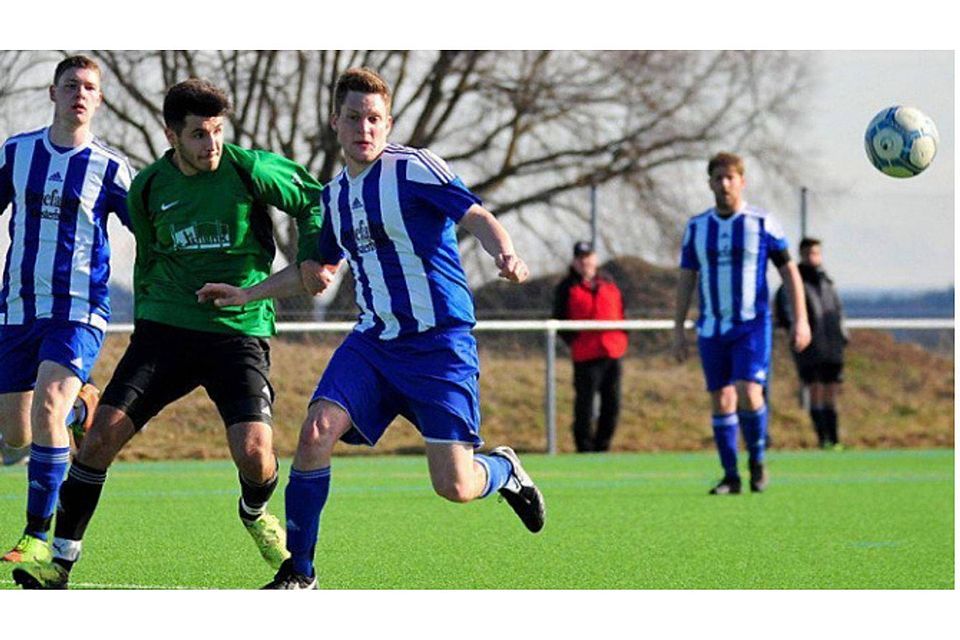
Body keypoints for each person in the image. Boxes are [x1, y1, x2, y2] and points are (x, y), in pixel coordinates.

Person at [201, 67, 546, 590]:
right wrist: (247, 293)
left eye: (375, 119)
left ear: (387, 124)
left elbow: (474, 214)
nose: (366, 127)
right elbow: (315, 272)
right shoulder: (335, 197)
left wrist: (505, 251)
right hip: (375, 343)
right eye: (355, 118)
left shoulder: (414, 169)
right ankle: (301, 571)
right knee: (315, 431)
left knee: (455, 485)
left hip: (439, 345)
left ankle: (503, 470)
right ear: (336, 122)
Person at [11, 78, 327, 589]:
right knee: (98, 441)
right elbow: (150, 257)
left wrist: (314, 257)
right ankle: (60, 563)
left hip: (237, 332)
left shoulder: (248, 169)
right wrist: (155, 315)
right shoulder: (149, 187)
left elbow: (313, 198)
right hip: (165, 333)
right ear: (171, 134)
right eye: (200, 135)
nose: (212, 145)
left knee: (254, 452)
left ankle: (253, 512)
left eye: (218, 131)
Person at [0, 56, 130, 564]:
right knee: (16, 434)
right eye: (71, 84)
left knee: (47, 404)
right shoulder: (17, 152)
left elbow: (149, 229)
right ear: (52, 93)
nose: (80, 93)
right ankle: (83, 405)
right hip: (16, 308)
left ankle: (35, 535)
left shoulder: (111, 167)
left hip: (79, 308)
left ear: (98, 100)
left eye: (89, 87)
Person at [673, 152, 810, 495]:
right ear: (710, 183)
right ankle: (731, 475)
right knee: (721, 399)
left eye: (730, 178)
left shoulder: (762, 223)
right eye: (718, 178)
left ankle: (758, 462)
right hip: (711, 328)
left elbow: (789, 272)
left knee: (750, 392)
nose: (724, 184)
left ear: (742, 181)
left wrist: (801, 319)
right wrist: (678, 328)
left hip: (751, 325)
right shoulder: (697, 227)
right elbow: (686, 278)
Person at [552, 240, 628, 452]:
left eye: (588, 256)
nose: (585, 261)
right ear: (575, 261)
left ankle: (603, 445)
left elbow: (622, 313)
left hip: (612, 351)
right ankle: (584, 447)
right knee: (584, 404)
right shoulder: (567, 287)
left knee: (612, 403)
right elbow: (559, 320)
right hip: (585, 354)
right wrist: (575, 341)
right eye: (580, 257)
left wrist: (622, 339)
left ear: (595, 258)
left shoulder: (609, 283)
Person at [775, 237, 848, 448]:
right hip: (810, 347)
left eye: (816, 253)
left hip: (832, 345)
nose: (812, 257)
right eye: (808, 253)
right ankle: (822, 438)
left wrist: (843, 336)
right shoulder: (794, 282)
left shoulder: (827, 282)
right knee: (815, 390)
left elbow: (837, 311)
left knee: (831, 392)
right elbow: (785, 313)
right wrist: (796, 332)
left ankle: (835, 440)